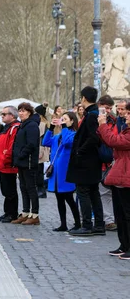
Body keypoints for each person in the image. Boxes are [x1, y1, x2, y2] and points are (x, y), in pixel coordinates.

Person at [66, 86, 105, 236]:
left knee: (83, 192)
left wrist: (79, 151)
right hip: (92, 161)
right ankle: (99, 225)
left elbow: (93, 138)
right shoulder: (94, 113)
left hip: (86, 162)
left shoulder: (90, 116)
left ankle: (87, 225)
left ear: (83, 98)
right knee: (94, 192)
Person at [97, 102, 130, 260]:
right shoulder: (125, 128)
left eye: (128, 113)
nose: (125, 115)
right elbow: (111, 140)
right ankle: (124, 245)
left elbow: (114, 141)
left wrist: (103, 125)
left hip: (126, 176)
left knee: (127, 214)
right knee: (120, 214)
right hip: (120, 175)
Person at [43, 112, 81, 231]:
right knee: (59, 199)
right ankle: (63, 224)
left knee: (69, 198)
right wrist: (51, 128)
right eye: (61, 119)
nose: (62, 121)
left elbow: (67, 142)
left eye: (65, 119)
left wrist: (64, 127)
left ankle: (77, 223)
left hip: (66, 173)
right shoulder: (58, 136)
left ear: (72, 121)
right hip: (56, 173)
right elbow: (45, 142)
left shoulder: (74, 134)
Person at [10, 102, 41, 225]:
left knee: (31, 188)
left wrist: (21, 154)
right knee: (23, 187)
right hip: (21, 162)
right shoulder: (23, 125)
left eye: (23, 111)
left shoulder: (32, 125)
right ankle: (25, 212)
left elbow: (31, 144)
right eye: (19, 111)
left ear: (29, 112)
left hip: (28, 161)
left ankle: (35, 214)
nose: (21, 113)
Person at [0, 106, 21, 223]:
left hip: (7, 164)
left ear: (12, 116)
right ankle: (7, 212)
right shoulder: (7, 127)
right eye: (2, 114)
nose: (2, 116)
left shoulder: (14, 127)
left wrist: (6, 159)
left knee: (10, 190)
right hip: (2, 164)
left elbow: (11, 146)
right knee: (5, 190)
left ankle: (12, 213)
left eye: (5, 114)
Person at [97, 94, 117, 231]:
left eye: (110, 108)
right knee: (100, 192)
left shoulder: (114, 120)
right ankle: (105, 219)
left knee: (108, 192)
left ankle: (109, 219)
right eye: (106, 108)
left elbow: (113, 138)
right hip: (97, 160)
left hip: (110, 160)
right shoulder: (92, 118)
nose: (108, 111)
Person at [34, 105, 50, 199]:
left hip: (40, 149)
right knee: (38, 171)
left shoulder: (42, 125)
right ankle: (40, 189)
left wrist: (41, 151)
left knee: (38, 171)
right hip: (41, 149)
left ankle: (41, 190)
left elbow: (43, 139)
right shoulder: (43, 124)